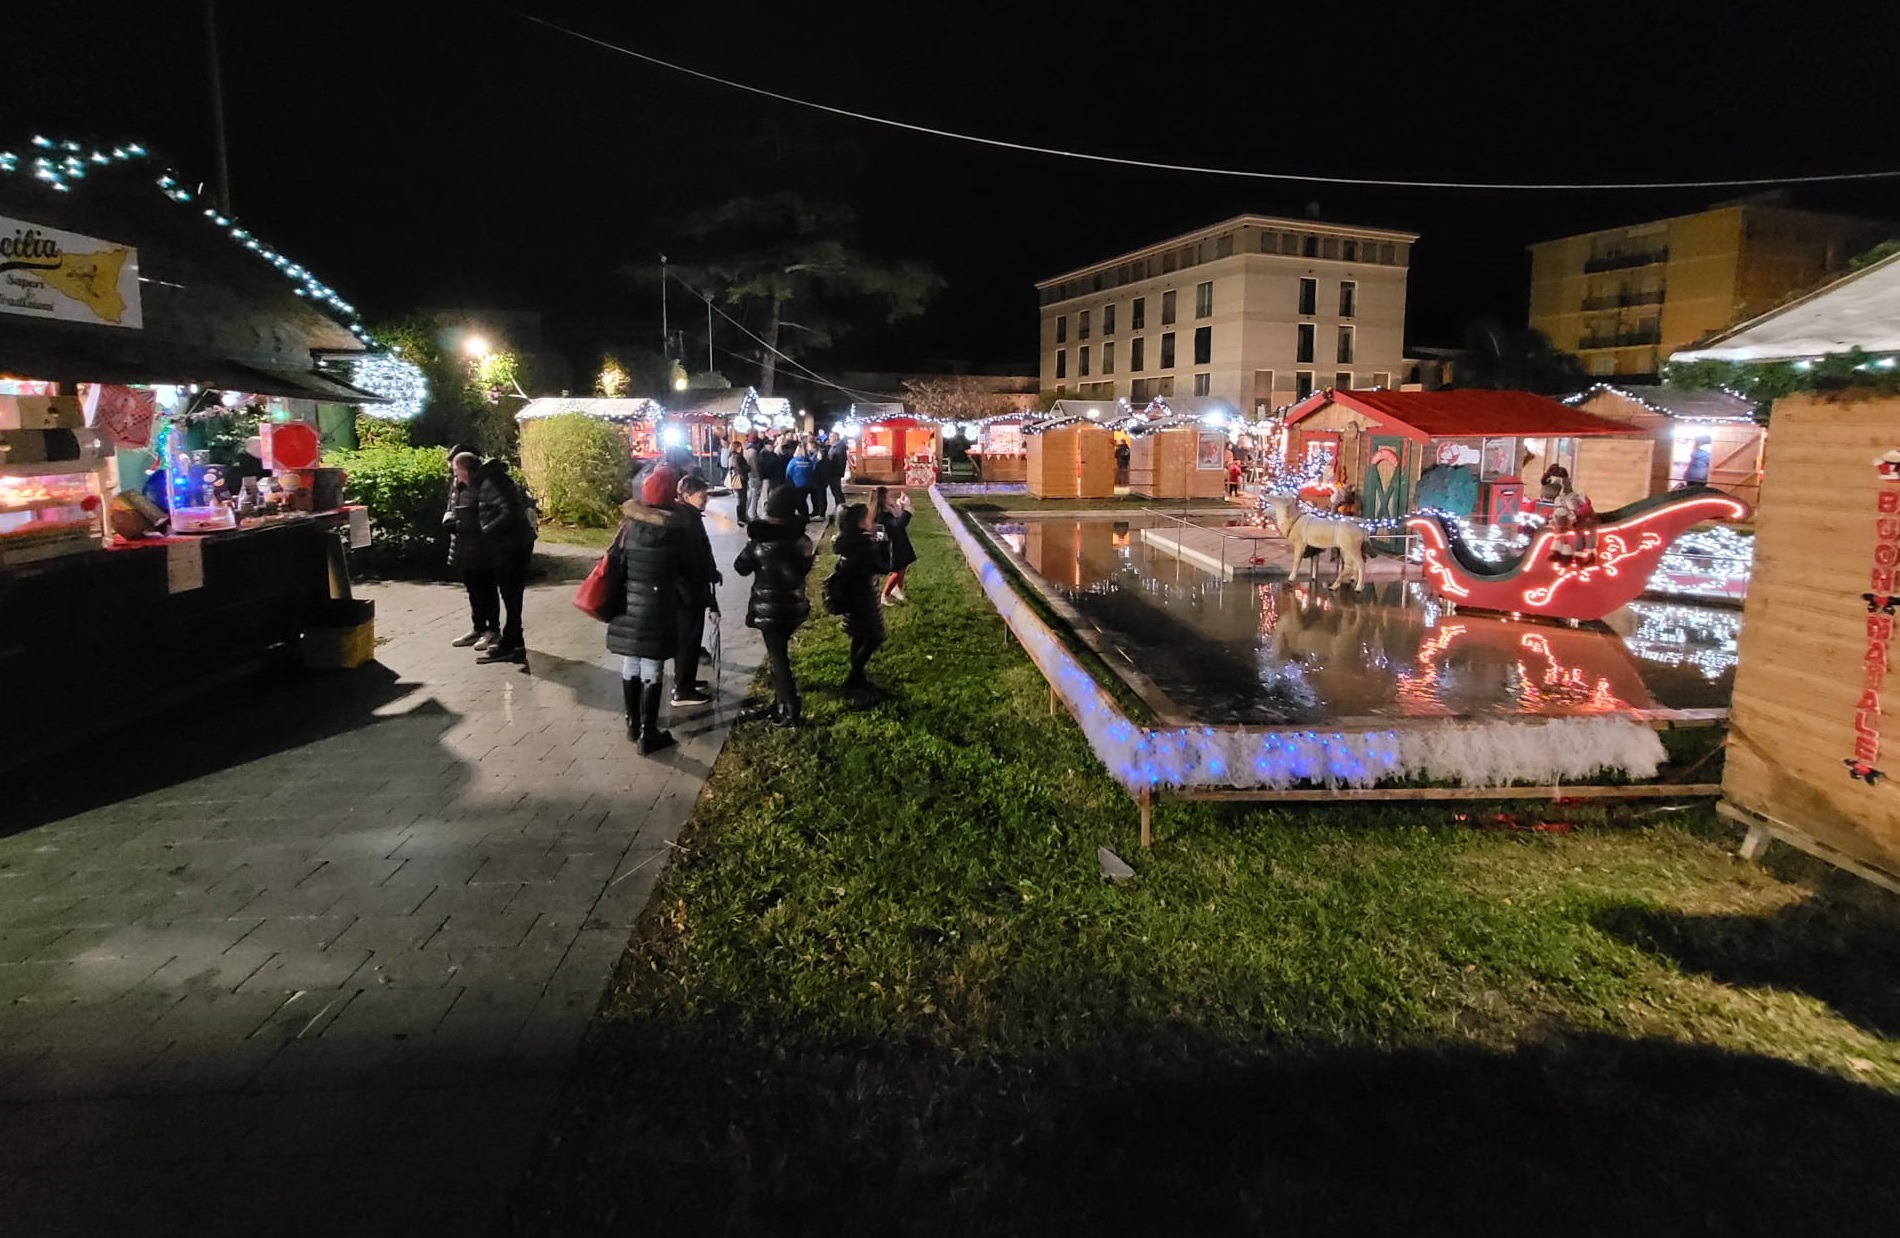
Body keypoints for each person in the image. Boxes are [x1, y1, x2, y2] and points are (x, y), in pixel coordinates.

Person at [608, 465, 691, 753]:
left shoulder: (628, 527)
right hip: (659, 607)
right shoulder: (676, 532)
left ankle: (632, 724)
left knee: (631, 659)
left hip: (628, 604)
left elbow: (614, 562)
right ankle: (648, 732)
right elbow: (688, 570)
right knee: (653, 664)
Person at [733, 484, 815, 726]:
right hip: (794, 607)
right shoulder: (802, 540)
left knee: (778, 660)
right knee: (778, 655)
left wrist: (753, 545)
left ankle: (790, 709)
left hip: (770, 611)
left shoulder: (760, 542)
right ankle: (779, 702)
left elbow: (741, 567)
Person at [469, 453, 537, 664]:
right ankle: (513, 641)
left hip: (512, 546)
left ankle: (514, 645)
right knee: (511, 596)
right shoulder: (496, 479)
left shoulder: (491, 482)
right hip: (516, 544)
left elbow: (509, 511)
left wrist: (487, 530)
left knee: (511, 595)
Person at [828, 501, 891, 703]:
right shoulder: (864, 545)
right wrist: (883, 544)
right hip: (863, 596)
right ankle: (854, 677)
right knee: (874, 636)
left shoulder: (846, 540)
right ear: (860, 522)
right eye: (868, 518)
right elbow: (884, 567)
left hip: (851, 596)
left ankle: (858, 677)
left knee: (858, 635)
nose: (871, 521)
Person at [670, 473, 720, 707]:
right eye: (702, 496)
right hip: (688, 591)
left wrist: (712, 571)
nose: (706, 500)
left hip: (692, 588)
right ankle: (682, 689)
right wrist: (707, 576)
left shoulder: (689, 516)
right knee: (688, 640)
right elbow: (693, 558)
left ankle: (687, 680)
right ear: (687, 496)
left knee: (690, 639)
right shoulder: (685, 521)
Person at [443, 447, 499, 650]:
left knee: (487, 589)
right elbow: (451, 507)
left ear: (466, 469)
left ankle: (492, 630)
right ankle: (478, 628)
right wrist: (449, 519)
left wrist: (465, 525)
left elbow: (490, 516)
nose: (453, 472)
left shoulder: (483, 487)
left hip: (483, 547)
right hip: (463, 546)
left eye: (456, 468)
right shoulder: (457, 486)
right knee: (473, 590)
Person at [874, 486, 917, 606]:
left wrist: (901, 504)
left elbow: (897, 516)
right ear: (883, 499)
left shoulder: (889, 509)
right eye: (889, 496)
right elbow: (898, 525)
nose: (891, 498)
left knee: (903, 566)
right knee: (898, 570)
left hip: (899, 543)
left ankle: (898, 589)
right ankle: (885, 595)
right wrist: (907, 510)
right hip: (892, 547)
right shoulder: (881, 515)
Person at [786, 436, 819, 522]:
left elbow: (788, 472)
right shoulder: (808, 461)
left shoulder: (793, 461)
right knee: (803, 501)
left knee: (799, 502)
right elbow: (812, 470)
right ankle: (805, 516)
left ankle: (803, 518)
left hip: (797, 485)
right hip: (808, 484)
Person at [825, 431, 850, 511]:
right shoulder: (836, 446)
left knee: (837, 491)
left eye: (831, 437)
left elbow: (837, 460)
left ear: (836, 437)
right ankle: (839, 506)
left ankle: (842, 507)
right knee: (835, 490)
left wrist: (830, 465)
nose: (829, 439)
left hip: (835, 472)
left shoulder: (839, 447)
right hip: (834, 472)